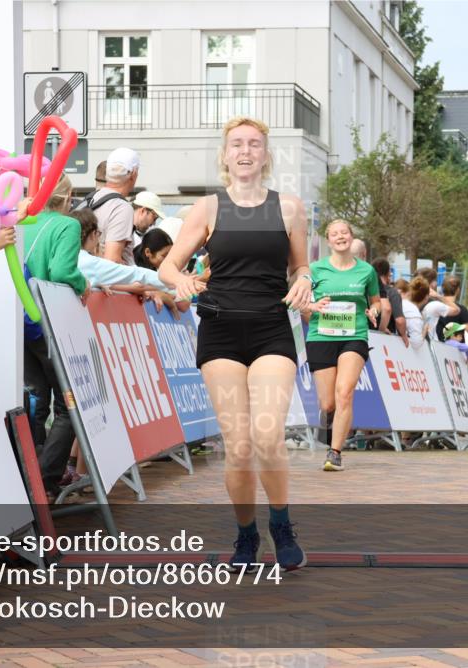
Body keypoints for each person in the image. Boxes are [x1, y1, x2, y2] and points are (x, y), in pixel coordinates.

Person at [158, 116, 311, 571]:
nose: (245, 151)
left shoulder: (289, 208)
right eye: (237, 144)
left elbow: (301, 267)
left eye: (255, 144)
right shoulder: (207, 208)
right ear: (225, 155)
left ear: (266, 155)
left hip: (270, 330)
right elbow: (169, 267)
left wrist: (303, 282)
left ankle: (280, 524)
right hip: (221, 330)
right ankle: (246, 535)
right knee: (239, 445)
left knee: (267, 435)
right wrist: (182, 282)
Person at [20, 175, 87, 498]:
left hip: (15, 321)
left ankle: (28, 472)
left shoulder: (21, 222)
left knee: (35, 401)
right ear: (68, 196)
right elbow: (62, 273)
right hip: (49, 321)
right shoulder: (67, 225)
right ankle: (44, 478)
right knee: (67, 405)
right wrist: (83, 284)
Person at [302, 220, 379, 473]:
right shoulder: (315, 269)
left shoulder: (366, 271)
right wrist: (311, 307)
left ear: (351, 236)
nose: (340, 237)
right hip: (321, 336)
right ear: (328, 240)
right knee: (328, 404)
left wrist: (374, 310)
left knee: (344, 392)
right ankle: (333, 430)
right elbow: (299, 304)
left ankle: (335, 453)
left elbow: (376, 301)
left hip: (354, 335)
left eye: (344, 232)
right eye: (334, 234)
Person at [85, 147, 140, 264]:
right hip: (110, 281)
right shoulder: (121, 208)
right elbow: (112, 260)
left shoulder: (91, 198)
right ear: (133, 174)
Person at [371, 257, 404, 335]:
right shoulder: (392, 293)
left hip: (364, 335)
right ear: (388, 272)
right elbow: (399, 320)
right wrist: (404, 335)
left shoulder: (367, 290)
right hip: (386, 338)